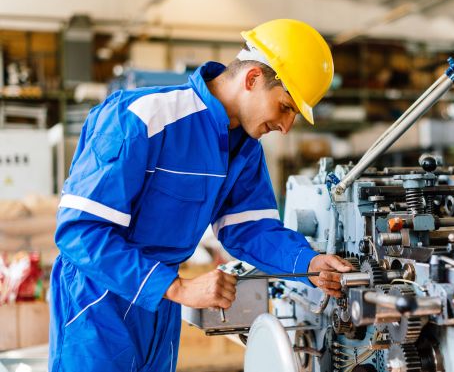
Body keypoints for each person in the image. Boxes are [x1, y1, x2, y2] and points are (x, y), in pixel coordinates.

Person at [48, 19, 353, 371]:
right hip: (97, 302)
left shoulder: (245, 149)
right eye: (285, 107)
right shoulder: (140, 118)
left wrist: (308, 264)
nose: (286, 128)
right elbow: (80, 233)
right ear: (252, 79)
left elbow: (251, 229)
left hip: (158, 305)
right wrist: (176, 287)